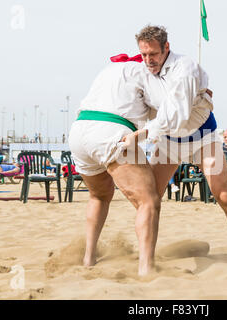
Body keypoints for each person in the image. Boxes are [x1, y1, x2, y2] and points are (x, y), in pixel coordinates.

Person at [128, 25, 227, 270]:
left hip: (203, 138)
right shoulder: (142, 71)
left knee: (224, 196)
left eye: (153, 54)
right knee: (149, 200)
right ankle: (149, 257)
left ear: (167, 48)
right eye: (143, 54)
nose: (148, 60)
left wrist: (143, 134)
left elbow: (176, 114)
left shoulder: (185, 68)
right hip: (169, 142)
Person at [68, 56, 161, 276]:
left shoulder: (109, 69)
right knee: (148, 201)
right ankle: (146, 268)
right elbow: (163, 112)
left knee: (98, 196)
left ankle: (89, 257)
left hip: (79, 130)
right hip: (112, 129)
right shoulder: (144, 72)